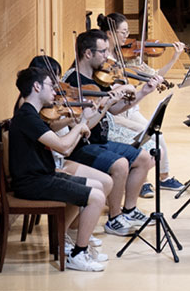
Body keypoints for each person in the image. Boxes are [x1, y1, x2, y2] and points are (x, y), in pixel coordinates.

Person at [10, 67, 110, 271]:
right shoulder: (27, 117)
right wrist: (78, 127)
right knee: (97, 198)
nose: (56, 90)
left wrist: (81, 123)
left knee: (98, 185)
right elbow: (63, 147)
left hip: (43, 177)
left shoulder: (33, 115)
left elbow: (64, 149)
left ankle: (62, 242)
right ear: (37, 86)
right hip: (33, 183)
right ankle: (78, 254)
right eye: (50, 85)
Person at [63, 30, 158, 237]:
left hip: (100, 141)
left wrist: (143, 92)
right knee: (121, 164)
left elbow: (114, 109)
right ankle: (114, 219)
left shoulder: (97, 77)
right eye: (103, 51)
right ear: (88, 53)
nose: (108, 56)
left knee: (143, 157)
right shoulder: (73, 82)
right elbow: (83, 124)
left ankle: (129, 210)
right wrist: (106, 104)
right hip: (81, 147)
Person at [95, 13, 184, 195]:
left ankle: (161, 177)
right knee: (149, 136)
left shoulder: (131, 57)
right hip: (114, 113)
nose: (127, 37)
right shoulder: (102, 62)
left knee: (155, 135)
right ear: (110, 33)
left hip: (129, 107)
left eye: (128, 32)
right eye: (123, 32)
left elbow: (155, 74)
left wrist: (175, 57)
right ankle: (142, 179)